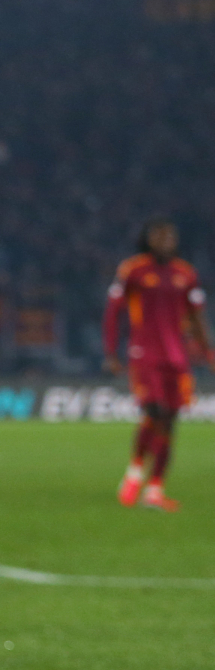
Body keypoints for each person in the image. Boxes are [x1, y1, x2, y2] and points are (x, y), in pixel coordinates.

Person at [105, 218, 214, 511]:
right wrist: (111, 352)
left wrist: (208, 352)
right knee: (155, 411)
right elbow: (113, 312)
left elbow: (196, 317)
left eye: (170, 237)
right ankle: (135, 470)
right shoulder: (133, 270)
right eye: (159, 236)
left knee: (170, 421)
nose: (165, 241)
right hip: (144, 355)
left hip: (176, 358)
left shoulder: (185, 274)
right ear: (149, 239)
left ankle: (154, 489)